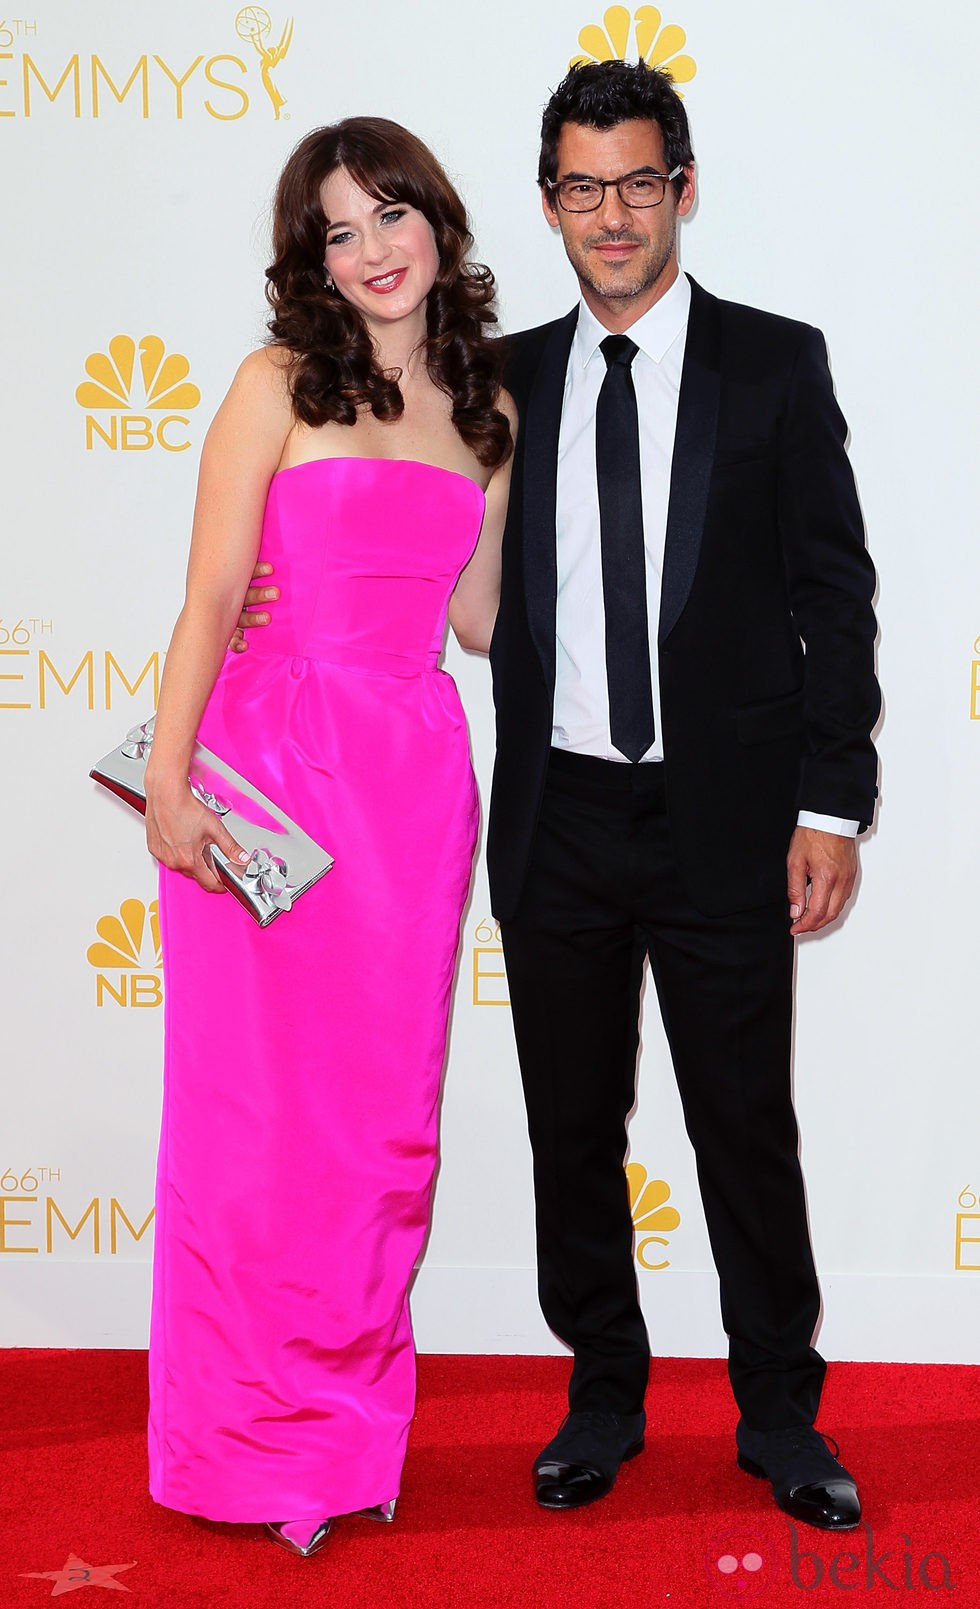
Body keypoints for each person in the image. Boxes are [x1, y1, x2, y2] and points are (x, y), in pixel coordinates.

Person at [238, 63, 880, 1532]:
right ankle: (604, 1391)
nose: (611, 212)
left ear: (683, 190)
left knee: (744, 1127)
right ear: (549, 204)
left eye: (638, 182)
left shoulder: (773, 366)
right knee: (569, 1128)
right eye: (582, 186)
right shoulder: (497, 378)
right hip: (560, 819)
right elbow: (432, 576)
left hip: (726, 820)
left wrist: (830, 802)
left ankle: (781, 1411)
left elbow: (830, 597)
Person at [143, 116, 513, 1558]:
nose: (371, 251)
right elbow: (211, 594)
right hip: (266, 776)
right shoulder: (274, 382)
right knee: (253, 1129)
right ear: (311, 258)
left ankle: (347, 1436)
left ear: (438, 221)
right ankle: (245, 1447)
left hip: (410, 790)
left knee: (376, 1133)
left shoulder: (488, 411)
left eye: (390, 215)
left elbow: (477, 621)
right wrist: (172, 787)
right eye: (337, 230)